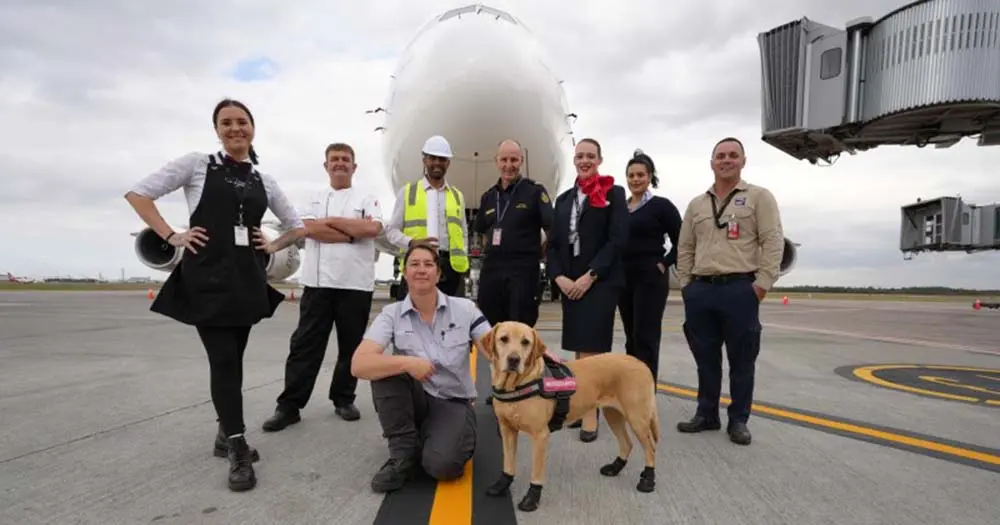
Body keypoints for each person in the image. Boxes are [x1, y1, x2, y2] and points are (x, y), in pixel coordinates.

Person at [124, 98, 305, 492]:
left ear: (253, 128)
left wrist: (273, 245)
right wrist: (171, 235)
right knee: (223, 362)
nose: (235, 128)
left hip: (246, 280)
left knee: (233, 362)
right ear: (217, 130)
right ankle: (237, 447)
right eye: (227, 122)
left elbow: (297, 226)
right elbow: (139, 194)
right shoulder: (197, 165)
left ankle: (226, 433)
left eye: (242, 121)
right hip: (207, 279)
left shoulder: (263, 180)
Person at [262, 143, 383, 432]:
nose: (340, 163)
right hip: (318, 284)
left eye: (345, 159)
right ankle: (289, 406)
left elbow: (372, 229)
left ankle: (343, 398)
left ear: (354, 167)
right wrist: (350, 233)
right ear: (326, 165)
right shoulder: (312, 198)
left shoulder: (367, 197)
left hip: (356, 284)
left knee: (351, 347)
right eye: (334, 159)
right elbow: (307, 229)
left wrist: (329, 222)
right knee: (305, 346)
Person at [350, 244, 490, 493]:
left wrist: (535, 350)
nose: (421, 270)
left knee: (443, 466)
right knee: (384, 369)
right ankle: (402, 454)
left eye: (428, 264)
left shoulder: (465, 309)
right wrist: (407, 363)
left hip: (452, 401)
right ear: (405, 273)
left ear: (439, 273)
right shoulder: (391, 314)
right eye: (414, 264)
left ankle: (434, 437)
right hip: (414, 399)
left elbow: (495, 347)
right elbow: (359, 365)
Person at [674, 137, 784, 446]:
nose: (726, 160)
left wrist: (761, 285)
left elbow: (773, 241)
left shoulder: (759, 197)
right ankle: (707, 413)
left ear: (743, 161)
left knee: (742, 360)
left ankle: (738, 420)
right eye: (720, 156)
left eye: (733, 155)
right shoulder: (696, 205)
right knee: (705, 359)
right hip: (702, 289)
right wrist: (687, 286)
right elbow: (685, 247)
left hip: (739, 289)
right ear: (711, 163)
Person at [546, 137, 629, 442]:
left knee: (592, 350)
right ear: (574, 160)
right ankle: (583, 406)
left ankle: (590, 412)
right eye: (580, 156)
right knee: (580, 349)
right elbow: (554, 244)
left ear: (600, 160)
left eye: (590, 156)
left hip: (599, 281)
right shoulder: (564, 200)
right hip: (570, 283)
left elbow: (618, 239)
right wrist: (558, 277)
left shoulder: (613, 193)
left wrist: (590, 275)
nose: (585, 161)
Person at [473, 138, 553, 327]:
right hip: (492, 271)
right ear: (496, 161)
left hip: (522, 271)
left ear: (521, 161)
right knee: (491, 330)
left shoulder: (534, 192)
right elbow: (480, 230)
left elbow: (551, 227)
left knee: (520, 327)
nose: (509, 165)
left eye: (514, 160)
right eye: (504, 160)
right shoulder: (488, 197)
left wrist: (542, 253)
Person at [618, 149, 682, 381]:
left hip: (650, 277)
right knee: (631, 338)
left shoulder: (661, 206)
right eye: (631, 175)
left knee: (645, 337)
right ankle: (632, 389)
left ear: (650, 177)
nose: (635, 179)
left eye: (640, 175)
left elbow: (683, 240)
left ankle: (645, 393)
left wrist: (664, 264)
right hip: (624, 278)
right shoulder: (620, 207)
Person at [383, 135, 470, 298]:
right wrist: (411, 243)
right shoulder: (407, 192)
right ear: (424, 161)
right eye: (432, 158)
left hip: (450, 270)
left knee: (450, 314)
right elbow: (391, 231)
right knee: (413, 314)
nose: (437, 163)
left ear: (448, 163)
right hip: (418, 266)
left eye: (442, 159)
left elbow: (463, 232)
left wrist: (461, 257)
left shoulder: (457, 196)